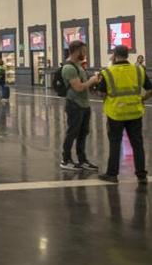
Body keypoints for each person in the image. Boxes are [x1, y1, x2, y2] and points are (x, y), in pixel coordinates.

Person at [97, 45, 150, 183]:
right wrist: (142, 99)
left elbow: (101, 93)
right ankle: (141, 174)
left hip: (116, 113)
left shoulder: (107, 72)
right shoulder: (139, 70)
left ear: (114, 55)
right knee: (137, 144)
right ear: (128, 55)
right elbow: (150, 89)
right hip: (135, 112)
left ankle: (112, 174)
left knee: (115, 143)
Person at [59, 40, 100, 171]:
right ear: (77, 51)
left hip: (84, 104)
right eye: (84, 50)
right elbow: (78, 87)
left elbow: (84, 85)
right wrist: (92, 80)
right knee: (72, 132)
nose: (85, 53)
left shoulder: (79, 66)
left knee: (83, 133)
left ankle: (82, 160)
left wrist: (94, 81)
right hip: (74, 105)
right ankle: (66, 160)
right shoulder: (69, 68)